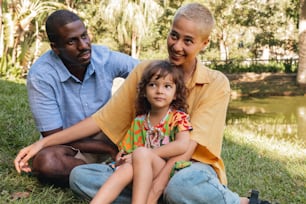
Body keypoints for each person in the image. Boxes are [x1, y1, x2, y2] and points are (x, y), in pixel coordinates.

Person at [15, 3, 271, 204]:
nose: (177, 46)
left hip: (187, 167)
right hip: (142, 166)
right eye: (174, 35)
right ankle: (166, 199)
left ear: (204, 44)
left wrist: (154, 178)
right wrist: (44, 142)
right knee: (81, 177)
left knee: (181, 187)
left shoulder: (217, 83)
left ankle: (237, 201)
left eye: (188, 41)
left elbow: (186, 147)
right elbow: (100, 120)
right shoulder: (147, 71)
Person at [20, 9, 139, 187]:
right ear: (55, 48)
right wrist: (109, 149)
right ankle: (116, 174)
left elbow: (148, 72)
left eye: (84, 36)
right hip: (72, 145)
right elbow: (54, 136)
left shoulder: (103, 57)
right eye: (71, 41)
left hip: (112, 134)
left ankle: (112, 173)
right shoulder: (41, 75)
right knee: (46, 162)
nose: (83, 45)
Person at [90, 60, 192, 204]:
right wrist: (123, 157)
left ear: (176, 94)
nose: (159, 91)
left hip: (165, 172)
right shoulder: (140, 121)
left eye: (167, 86)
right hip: (141, 173)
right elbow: (127, 152)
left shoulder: (178, 117)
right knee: (126, 168)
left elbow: (182, 145)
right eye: (153, 85)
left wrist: (143, 154)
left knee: (141, 153)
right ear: (144, 91)